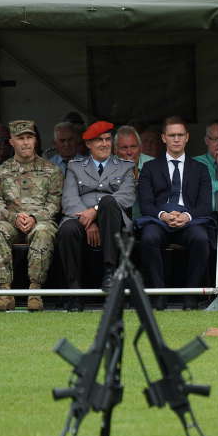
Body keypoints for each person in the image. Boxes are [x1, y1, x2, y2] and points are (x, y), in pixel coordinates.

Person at [0, 120, 63, 311]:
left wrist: (35, 218)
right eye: (21, 138)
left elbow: (55, 203)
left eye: (29, 137)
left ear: (35, 140)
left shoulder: (51, 170)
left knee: (43, 232)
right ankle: (5, 294)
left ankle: (35, 292)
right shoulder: (1, 171)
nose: (26, 142)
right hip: (10, 222)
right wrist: (13, 218)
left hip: (41, 221)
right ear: (11, 142)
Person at [57, 121, 135, 311]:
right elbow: (69, 199)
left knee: (109, 202)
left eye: (108, 139)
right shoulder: (75, 167)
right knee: (67, 230)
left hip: (113, 220)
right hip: (80, 218)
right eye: (99, 140)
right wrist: (89, 221)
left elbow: (126, 197)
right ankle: (74, 291)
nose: (105, 144)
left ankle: (110, 272)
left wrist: (96, 211)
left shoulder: (124, 167)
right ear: (88, 144)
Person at [137, 116, 213, 310]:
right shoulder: (149, 167)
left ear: (187, 137)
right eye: (172, 135)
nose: (176, 139)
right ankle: (159, 295)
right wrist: (163, 215)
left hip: (190, 221)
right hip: (159, 220)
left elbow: (205, 205)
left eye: (180, 135)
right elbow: (146, 204)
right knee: (148, 238)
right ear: (164, 138)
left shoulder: (201, 169)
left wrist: (186, 217)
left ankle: (191, 295)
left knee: (201, 239)